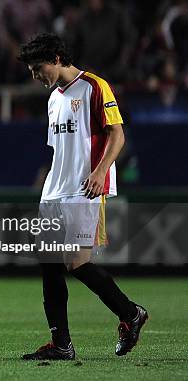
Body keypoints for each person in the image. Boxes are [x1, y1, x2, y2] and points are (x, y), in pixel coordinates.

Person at [17, 33, 148, 360]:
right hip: (55, 191)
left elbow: (117, 134)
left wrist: (101, 171)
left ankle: (130, 313)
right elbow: (60, 150)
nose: (36, 76)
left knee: (76, 262)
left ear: (57, 58)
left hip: (84, 188)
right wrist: (45, 183)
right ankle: (61, 343)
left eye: (38, 68)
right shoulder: (53, 100)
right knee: (50, 263)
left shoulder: (93, 86)